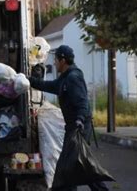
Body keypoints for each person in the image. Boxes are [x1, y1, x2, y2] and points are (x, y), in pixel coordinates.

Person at [29, 45, 109, 191]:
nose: (54, 63)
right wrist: (31, 81)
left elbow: (83, 102)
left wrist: (79, 120)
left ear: (63, 60)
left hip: (79, 127)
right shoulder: (64, 78)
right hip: (73, 127)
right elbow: (50, 86)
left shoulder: (73, 77)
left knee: (70, 165)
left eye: (56, 60)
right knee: (80, 164)